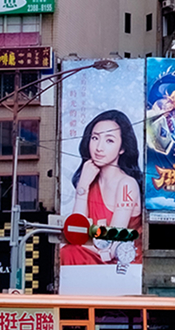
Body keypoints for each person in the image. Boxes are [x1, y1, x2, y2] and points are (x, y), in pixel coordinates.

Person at [61, 110, 144, 267]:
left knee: (69, 252)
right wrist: (83, 185)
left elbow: (113, 245)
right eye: (95, 138)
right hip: (94, 256)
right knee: (68, 250)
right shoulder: (90, 182)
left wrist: (84, 242)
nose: (99, 147)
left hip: (123, 264)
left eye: (109, 141)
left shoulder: (127, 184)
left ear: (122, 148)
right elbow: (76, 233)